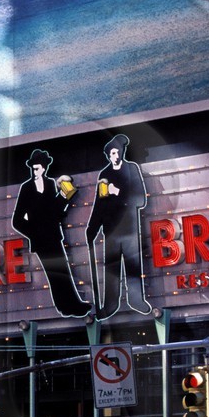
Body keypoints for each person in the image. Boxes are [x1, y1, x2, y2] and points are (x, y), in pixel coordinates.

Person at [11, 149, 88, 317]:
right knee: (54, 274)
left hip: (53, 235)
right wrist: (33, 232)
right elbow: (17, 220)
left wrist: (64, 195)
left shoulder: (50, 183)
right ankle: (64, 307)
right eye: (33, 168)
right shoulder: (27, 188)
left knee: (63, 271)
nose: (35, 171)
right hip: (41, 240)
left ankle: (73, 305)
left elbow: (55, 210)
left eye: (38, 168)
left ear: (44, 168)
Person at [83, 133, 149, 319]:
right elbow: (99, 204)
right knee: (112, 270)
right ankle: (110, 304)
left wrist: (117, 191)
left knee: (133, 268)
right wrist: (92, 229)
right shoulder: (105, 175)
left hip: (129, 230)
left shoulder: (131, 169)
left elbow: (141, 199)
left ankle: (136, 300)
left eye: (117, 152)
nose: (115, 155)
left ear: (122, 152)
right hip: (110, 231)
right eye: (112, 153)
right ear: (108, 155)